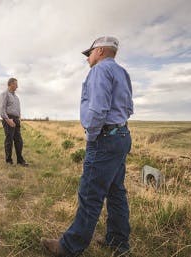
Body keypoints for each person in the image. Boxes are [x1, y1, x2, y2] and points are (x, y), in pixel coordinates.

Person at [41, 36, 134, 257]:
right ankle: (118, 241)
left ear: (100, 51)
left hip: (105, 138)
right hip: (122, 135)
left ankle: (69, 247)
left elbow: (98, 109)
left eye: (89, 53)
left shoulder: (99, 71)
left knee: (90, 194)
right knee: (116, 191)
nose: (87, 58)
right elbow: (129, 107)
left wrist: (92, 135)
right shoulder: (122, 72)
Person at [0, 78, 28, 166]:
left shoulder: (16, 97)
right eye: (16, 84)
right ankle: (8, 160)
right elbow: (1, 108)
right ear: (10, 84)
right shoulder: (4, 94)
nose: (17, 86)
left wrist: (19, 119)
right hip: (8, 119)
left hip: (16, 119)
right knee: (9, 140)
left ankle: (20, 160)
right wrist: (7, 119)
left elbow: (18, 110)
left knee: (19, 140)